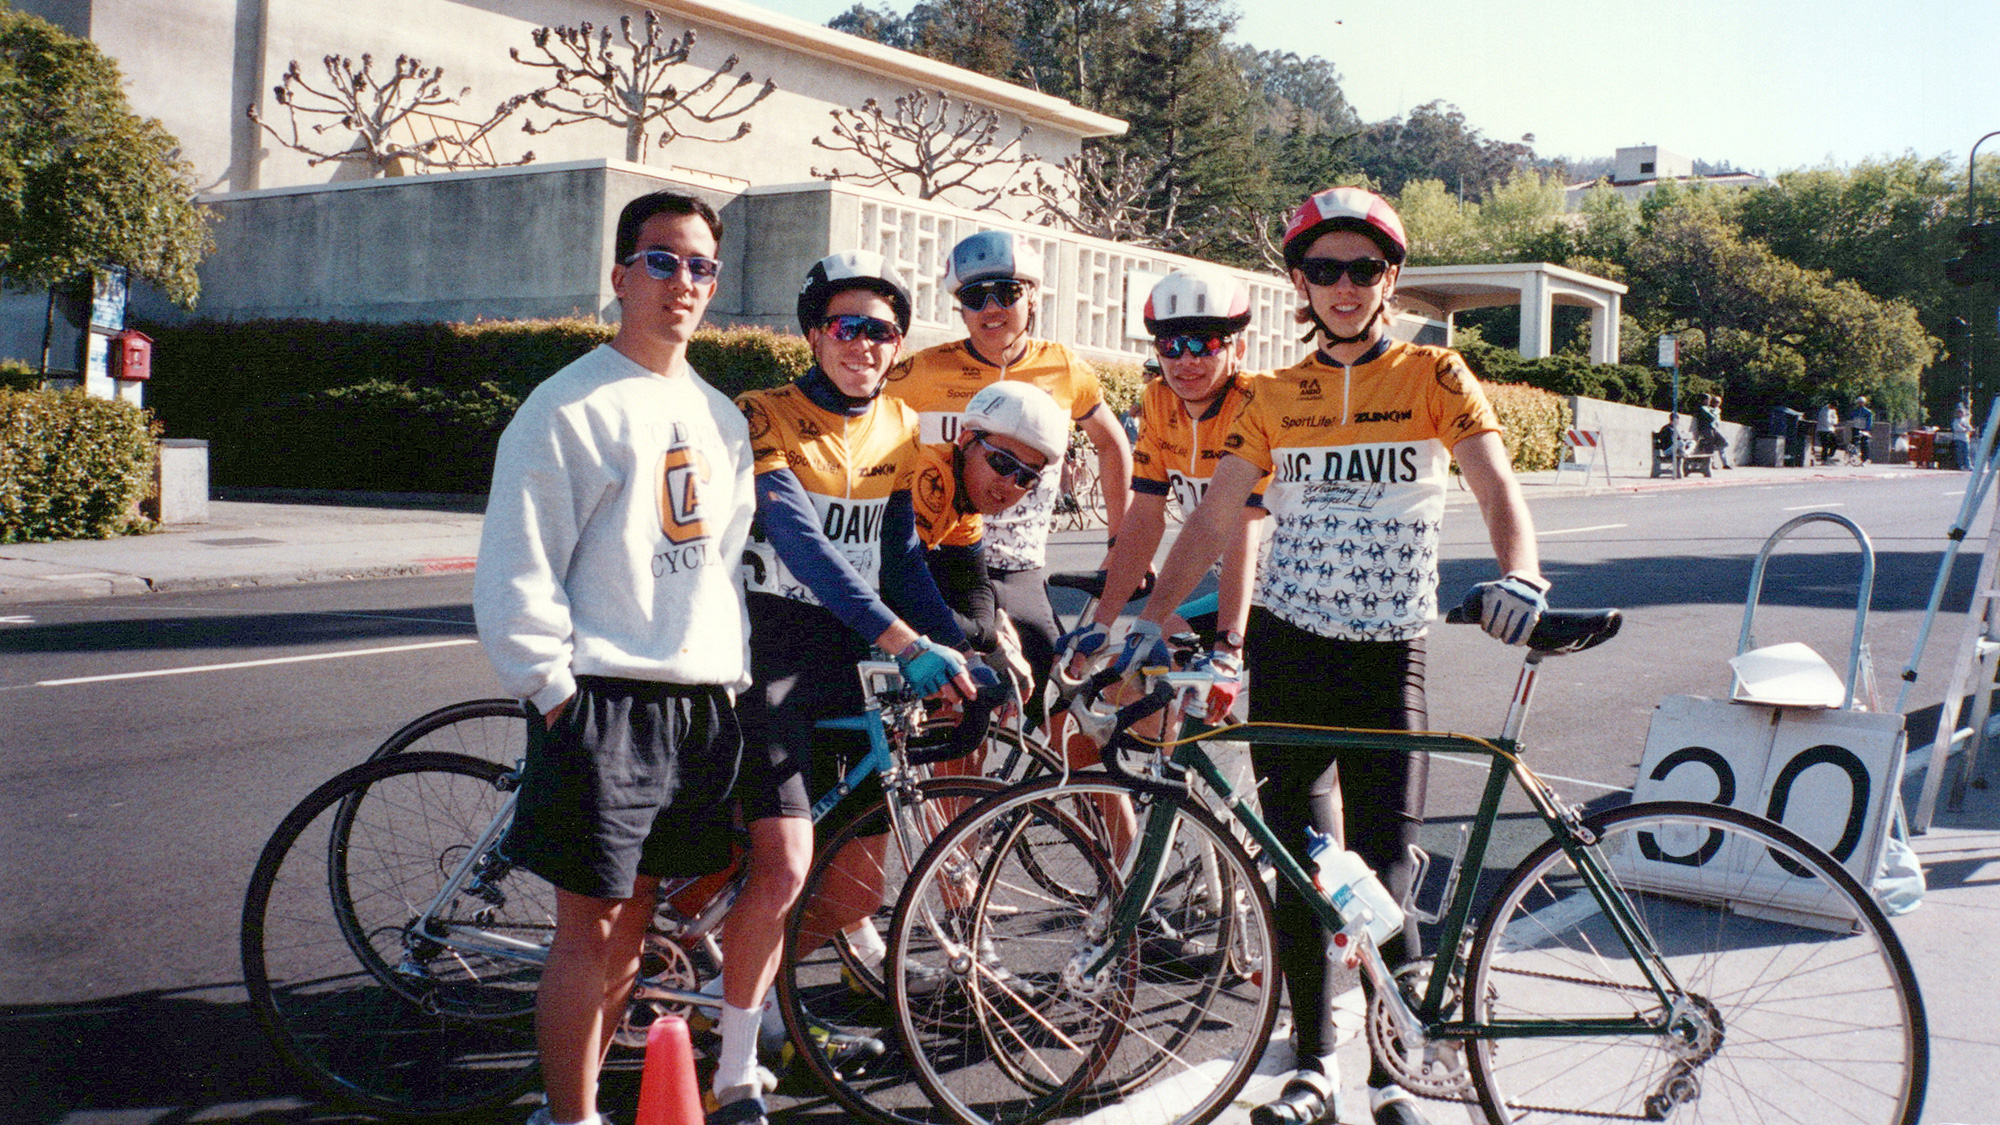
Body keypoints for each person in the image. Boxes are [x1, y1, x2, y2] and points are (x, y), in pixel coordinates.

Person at [1112, 187, 1545, 1125]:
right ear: (1300, 285)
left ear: (1390, 279)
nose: (1342, 287)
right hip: (1291, 644)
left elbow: (1492, 480)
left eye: (1362, 270)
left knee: (1388, 862)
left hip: (1390, 649)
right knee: (1302, 863)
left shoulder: (1435, 373)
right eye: (1322, 271)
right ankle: (1312, 1067)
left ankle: (1394, 1068)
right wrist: (1145, 619)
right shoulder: (1270, 396)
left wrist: (1524, 572)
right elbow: (1217, 514)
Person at [472, 191, 758, 1125]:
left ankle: (588, 1102)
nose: (685, 283)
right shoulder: (567, 405)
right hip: (604, 698)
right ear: (622, 275)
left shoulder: (719, 415)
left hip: (696, 699)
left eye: (703, 267)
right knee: (586, 929)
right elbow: (519, 567)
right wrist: (555, 694)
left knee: (636, 922)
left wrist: (733, 672)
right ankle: (570, 1115)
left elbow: (721, 565)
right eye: (664, 260)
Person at [729, 251, 991, 1116]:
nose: (865, 344)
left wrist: (956, 649)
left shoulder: (901, 427)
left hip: (844, 659)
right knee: (772, 854)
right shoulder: (764, 411)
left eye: (883, 331)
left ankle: (776, 993)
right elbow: (798, 538)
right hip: (760, 652)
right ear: (814, 332)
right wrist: (903, 637)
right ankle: (739, 1042)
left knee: (836, 855)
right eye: (847, 327)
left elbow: (901, 559)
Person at [1056, 269, 1271, 849]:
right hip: (1221, 586)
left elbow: (1243, 530)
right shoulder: (1158, 401)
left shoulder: (1259, 401)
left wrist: (1228, 644)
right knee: (1106, 721)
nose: (1187, 360)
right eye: (1171, 345)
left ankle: (1237, 852)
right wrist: (1102, 622)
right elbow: (1145, 518)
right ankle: (1146, 877)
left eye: (1205, 342)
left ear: (1238, 347)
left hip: (1279, 593)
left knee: (1219, 737)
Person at [885, 229, 1134, 722]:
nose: (992, 307)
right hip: (944, 560)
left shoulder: (1064, 367)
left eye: (1008, 292)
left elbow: (1112, 443)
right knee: (961, 712)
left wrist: (1119, 541)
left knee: (1060, 711)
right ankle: (969, 798)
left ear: (1034, 294)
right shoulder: (921, 372)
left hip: (1020, 567)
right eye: (975, 297)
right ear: (959, 306)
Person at [1693, 392, 1730, 468]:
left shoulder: (1709, 408)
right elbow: (1711, 417)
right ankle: (1711, 464)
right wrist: (1715, 412)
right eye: (1708, 400)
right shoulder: (1703, 408)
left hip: (1713, 429)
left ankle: (1723, 463)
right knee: (1709, 447)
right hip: (1707, 429)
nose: (1709, 401)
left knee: (1723, 443)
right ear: (1704, 400)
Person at [1850, 395, 1875, 464]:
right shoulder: (1855, 411)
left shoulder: (1868, 412)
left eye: (1862, 402)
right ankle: (1852, 456)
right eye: (1859, 402)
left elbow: (1869, 422)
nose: (1860, 404)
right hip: (1856, 428)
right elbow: (1852, 419)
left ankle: (1865, 459)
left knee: (1864, 444)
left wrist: (1867, 430)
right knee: (1853, 443)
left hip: (1864, 429)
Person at [1952, 400, 1975, 471]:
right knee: (1960, 453)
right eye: (1959, 412)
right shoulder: (1956, 421)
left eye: (1962, 412)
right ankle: (1961, 466)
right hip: (1958, 439)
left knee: (1967, 453)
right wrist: (1965, 429)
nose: (1960, 414)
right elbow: (1957, 428)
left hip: (1965, 439)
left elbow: (1969, 427)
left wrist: (1969, 429)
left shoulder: (1965, 420)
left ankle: (1968, 465)